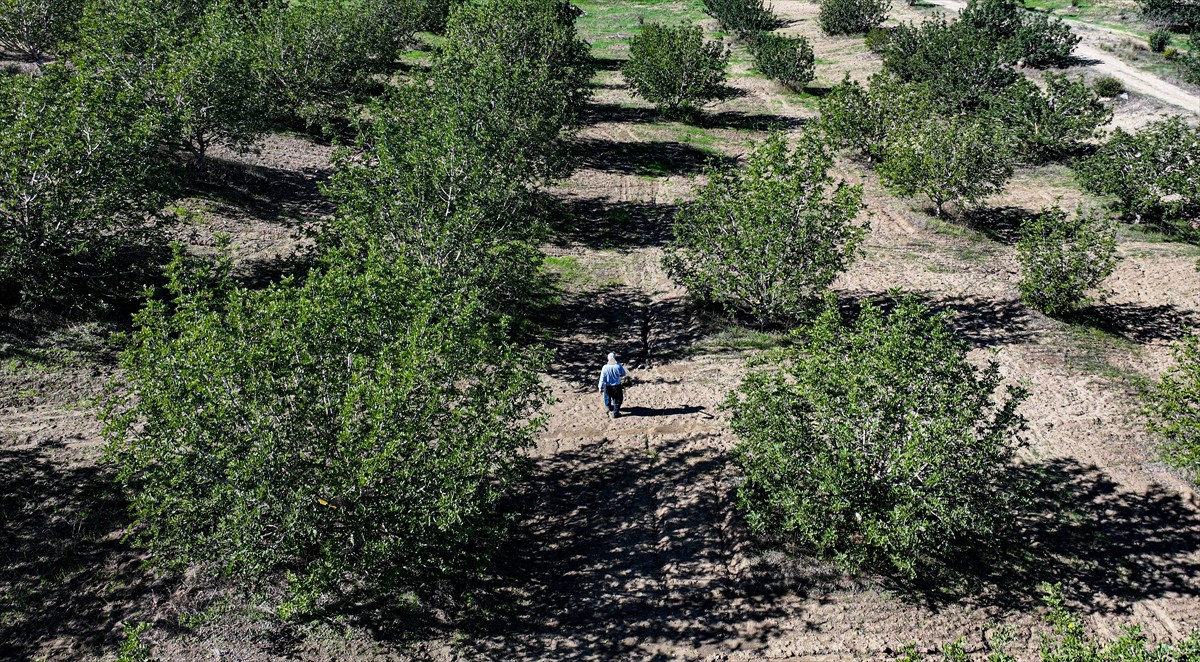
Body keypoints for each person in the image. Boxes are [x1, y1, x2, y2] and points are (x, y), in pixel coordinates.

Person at [598, 352, 630, 418]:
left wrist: (600, 387)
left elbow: (602, 377)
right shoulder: (618, 366)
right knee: (617, 399)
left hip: (607, 386)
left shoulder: (605, 367)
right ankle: (615, 413)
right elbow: (623, 374)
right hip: (616, 386)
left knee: (607, 397)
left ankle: (609, 407)